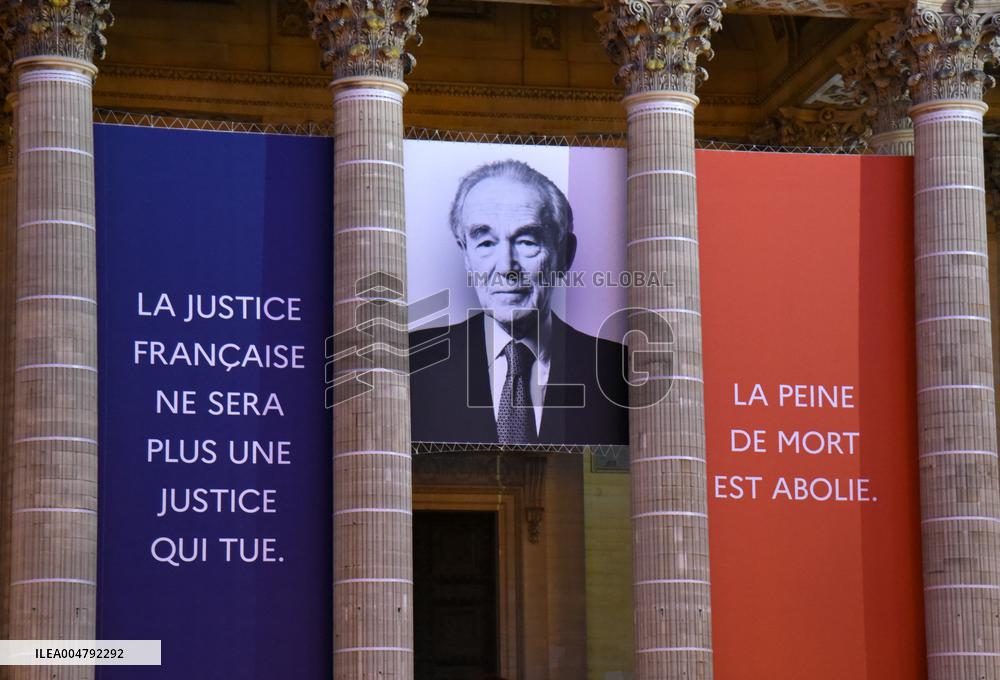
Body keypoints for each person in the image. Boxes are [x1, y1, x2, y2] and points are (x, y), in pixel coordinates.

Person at [409, 159, 628, 446]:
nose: (506, 267)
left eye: (527, 241)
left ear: (565, 255)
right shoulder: (411, 363)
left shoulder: (620, 371)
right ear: (466, 255)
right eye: (486, 243)